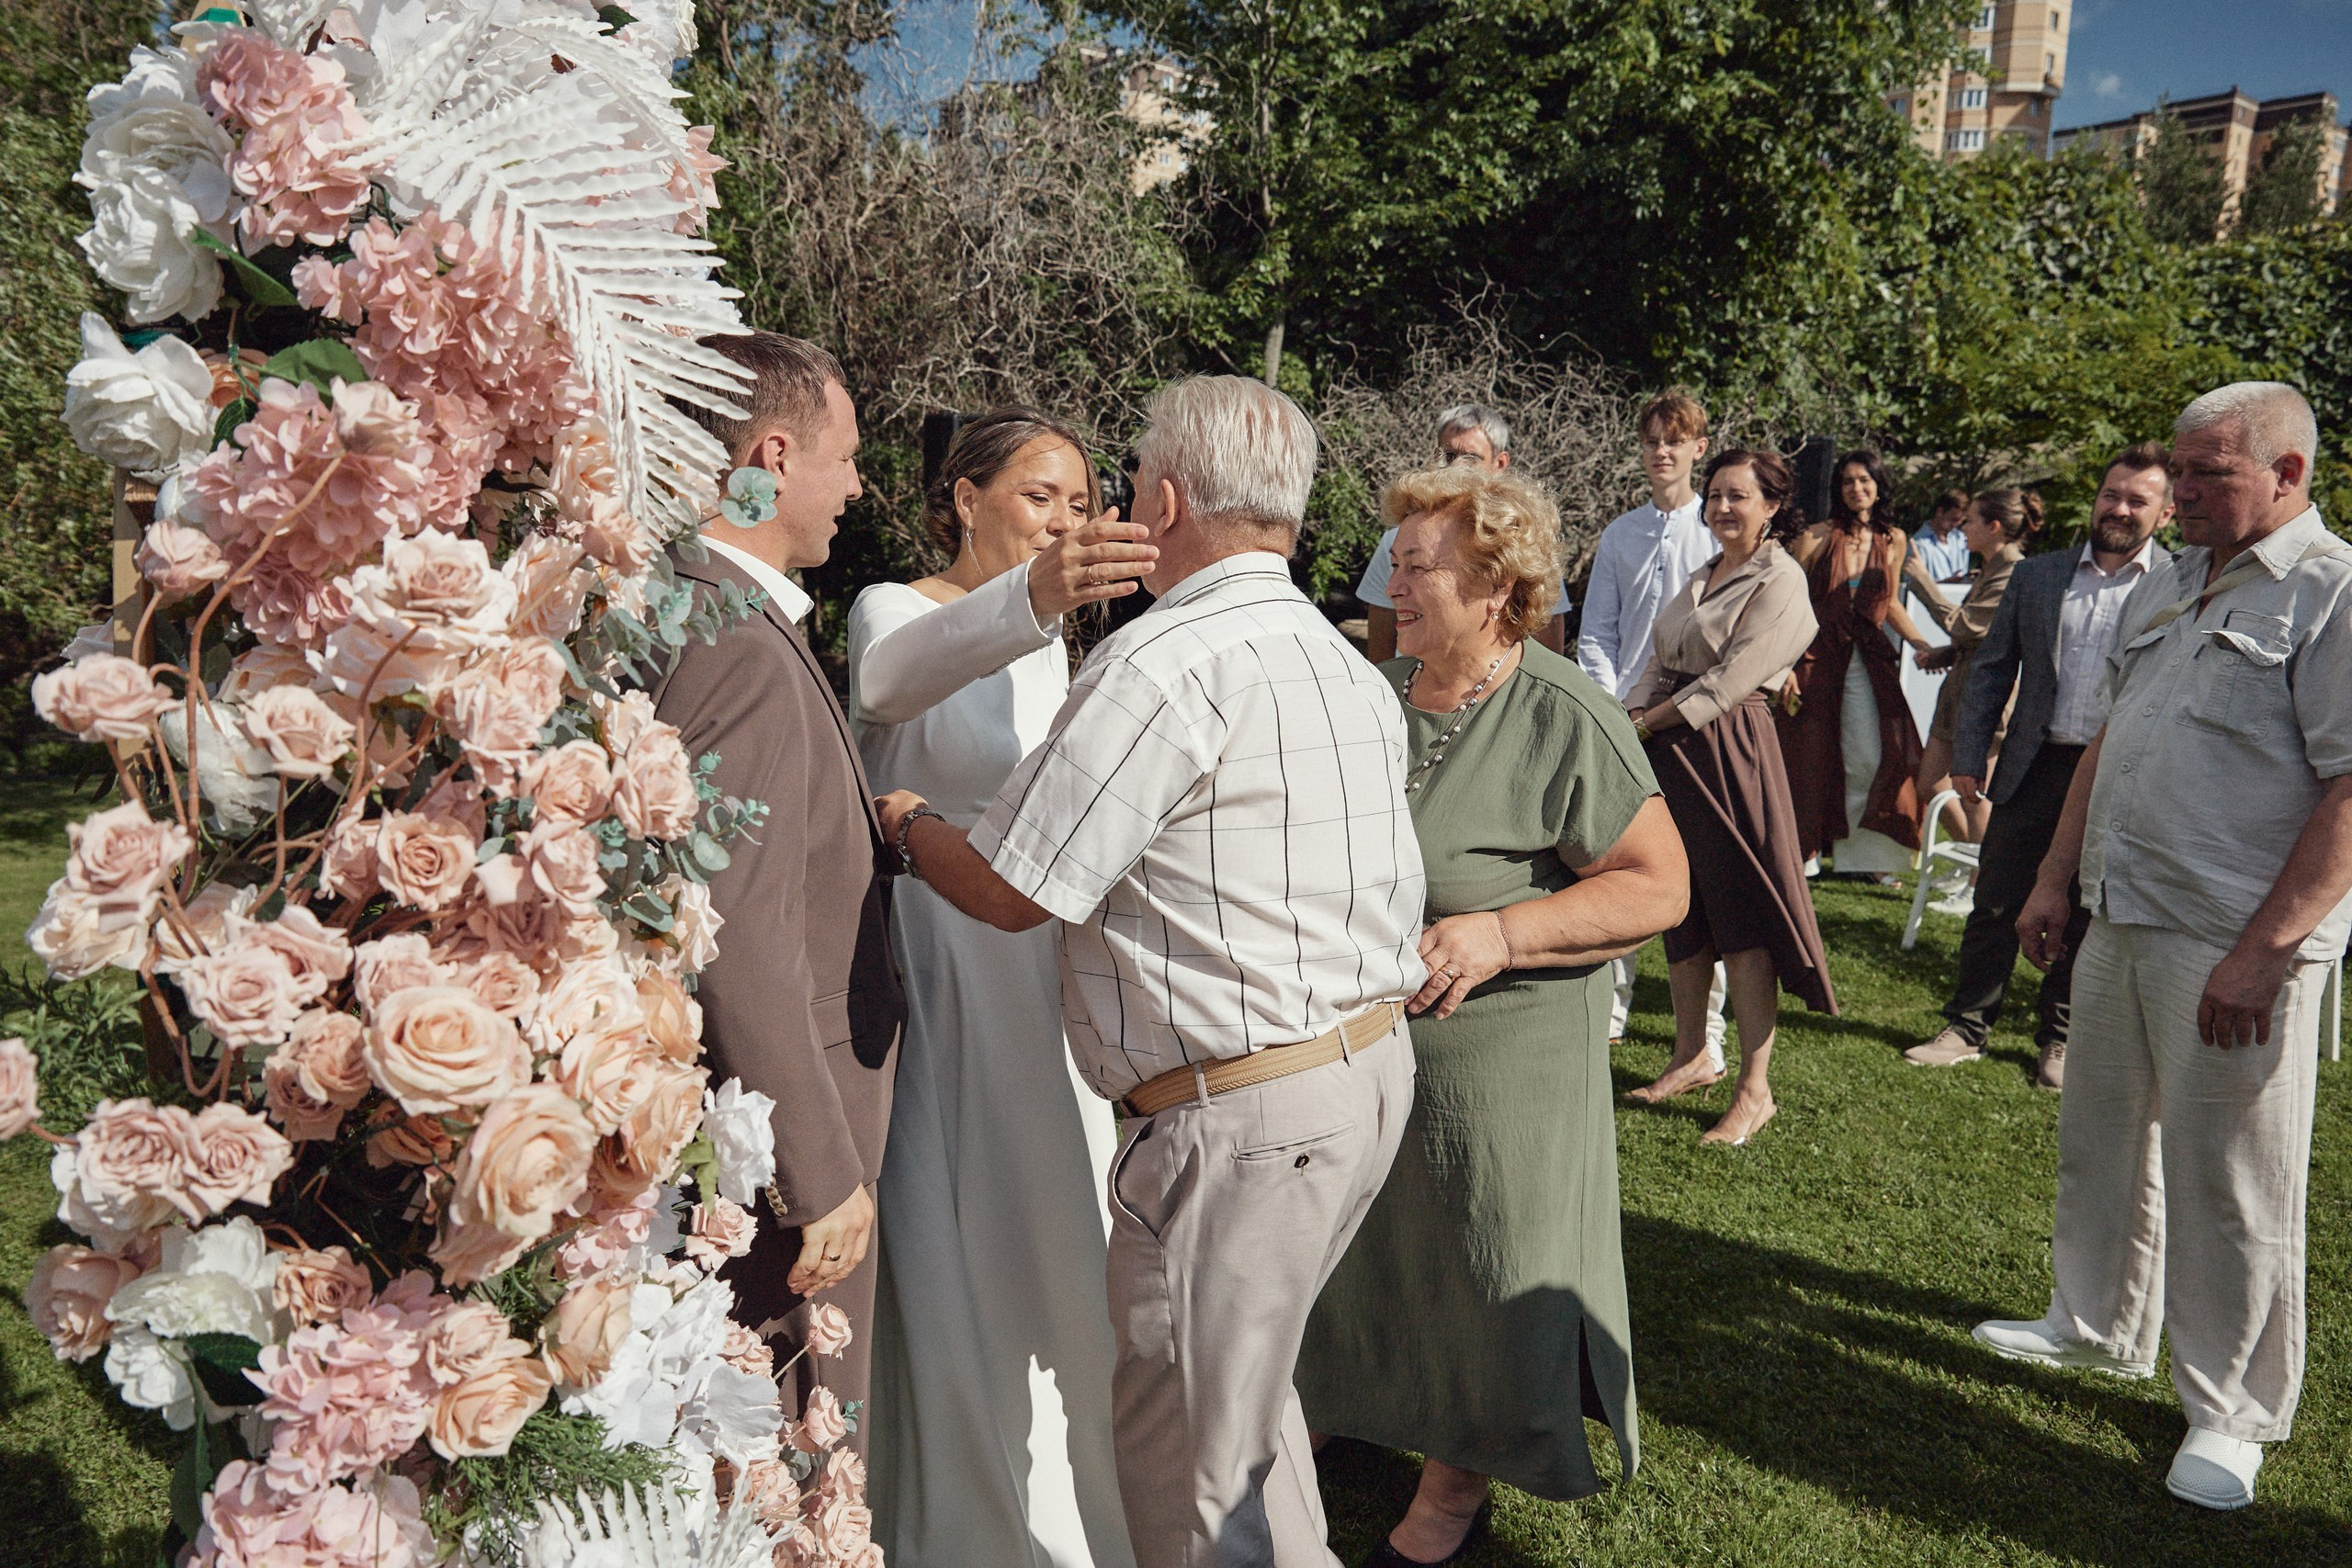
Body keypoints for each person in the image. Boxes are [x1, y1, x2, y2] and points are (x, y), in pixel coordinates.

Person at [876, 376, 1428, 1568]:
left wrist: (907, 822)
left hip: (1240, 1120)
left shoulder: (1161, 659)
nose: (1101, 513)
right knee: (1246, 1422)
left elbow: (1014, 890)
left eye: (1117, 487)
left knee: (1192, 1489)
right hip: (1362, 1078)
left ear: (1167, 497)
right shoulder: (1341, 660)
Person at [1296, 466, 1687, 1568]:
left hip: (1501, 1060)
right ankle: (1340, 1402)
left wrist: (1502, 934)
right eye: (1395, 561)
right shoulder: (1370, 690)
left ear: (1494, 587)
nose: (1394, 582)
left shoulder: (1564, 710)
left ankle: (1452, 1490)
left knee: (1482, 1260)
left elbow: (1659, 886)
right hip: (1360, 1044)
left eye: (1418, 566)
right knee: (1360, 1247)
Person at [1974, 384, 2352, 1513]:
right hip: (2122, 912)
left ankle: (2233, 1412)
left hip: (2233, 943)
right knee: (2099, 1138)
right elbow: (2107, 738)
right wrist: (2053, 878)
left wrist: (2266, 950)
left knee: (2232, 1181)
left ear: (2286, 474)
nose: (2179, 493)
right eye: (2176, 472)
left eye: (2207, 474)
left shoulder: (2332, 593)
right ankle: (2095, 1325)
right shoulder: (2178, 579)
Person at [849, 410, 1158, 1567]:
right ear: (963, 496)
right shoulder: (894, 606)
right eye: (1042, 497)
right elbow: (889, 683)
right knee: (954, 1221)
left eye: (1081, 503)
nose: (1066, 523)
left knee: (1058, 1223)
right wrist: (1035, 593)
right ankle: (959, 1518)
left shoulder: (1047, 642)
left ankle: (1077, 1512)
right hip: (935, 953)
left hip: (1036, 954)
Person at [651, 332, 905, 1449]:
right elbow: (738, 931)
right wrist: (819, 1170)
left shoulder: (669, 599)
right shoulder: (739, 649)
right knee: (777, 1440)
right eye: (843, 458)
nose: (856, 485)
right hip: (768, 1142)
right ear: (770, 453)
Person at [1904, 446, 2172, 1081]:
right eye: (2112, 494)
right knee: (1996, 901)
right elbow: (1994, 668)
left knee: (2088, 907)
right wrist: (1969, 754)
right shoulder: (2039, 575)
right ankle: (1967, 1025)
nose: (2120, 508)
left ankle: (2060, 1038)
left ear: (2165, 514)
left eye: (2138, 500)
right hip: (2034, 764)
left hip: (2120, 773)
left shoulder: (2179, 584)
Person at [1623, 449, 1837, 1145]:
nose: (1721, 507)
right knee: (1684, 910)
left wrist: (1647, 721)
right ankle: (1691, 1056)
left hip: (1731, 749)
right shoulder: (1701, 573)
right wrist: (1628, 719)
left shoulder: (1781, 579)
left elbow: (1732, 681)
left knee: (1744, 917)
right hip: (1673, 752)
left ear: (1773, 505)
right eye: (1713, 495)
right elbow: (1660, 658)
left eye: (1737, 495)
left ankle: (1755, 1087)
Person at [1576, 389, 1728, 1058]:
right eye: (1651, 441)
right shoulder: (1620, 534)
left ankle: (1709, 1029)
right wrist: (1613, 711)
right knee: (1615, 865)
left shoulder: (1718, 535)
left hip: (1698, 721)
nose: (1661, 452)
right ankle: (1610, 1010)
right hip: (1622, 723)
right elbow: (1597, 632)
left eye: (1676, 440)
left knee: (1705, 873)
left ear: (1699, 447)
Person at [1777, 448, 1933, 881]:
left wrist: (1920, 643)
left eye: (1864, 480)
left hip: (1869, 661)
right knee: (1808, 756)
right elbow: (1790, 603)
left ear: (1879, 485)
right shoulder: (1815, 536)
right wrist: (1784, 666)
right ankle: (1804, 852)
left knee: (1872, 753)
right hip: (1815, 660)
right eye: (1847, 481)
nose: (1856, 488)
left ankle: (1869, 858)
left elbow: (1890, 604)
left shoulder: (1895, 539)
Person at [1357, 405, 1566, 660]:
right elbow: (1380, 654)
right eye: (1448, 454)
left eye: (1470, 457)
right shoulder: (1397, 541)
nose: (1456, 465)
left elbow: (1547, 652)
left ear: (1500, 463)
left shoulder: (1525, 547)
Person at [1904, 489, 2039, 867]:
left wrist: (1921, 580)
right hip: (1959, 691)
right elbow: (1981, 636)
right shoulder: (1991, 567)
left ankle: (1981, 880)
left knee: (1974, 795)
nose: (1963, 529)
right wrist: (1944, 654)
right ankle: (1977, 868)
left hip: (1988, 697)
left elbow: (1964, 626)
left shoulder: (2013, 570)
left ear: (1994, 527)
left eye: (1972, 520)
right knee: (1930, 784)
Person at [1912, 489, 1973, 587]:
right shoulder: (1919, 544)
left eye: (1961, 521)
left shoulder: (1960, 539)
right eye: (1954, 519)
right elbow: (1913, 588)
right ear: (1940, 512)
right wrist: (1946, 584)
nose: (1957, 524)